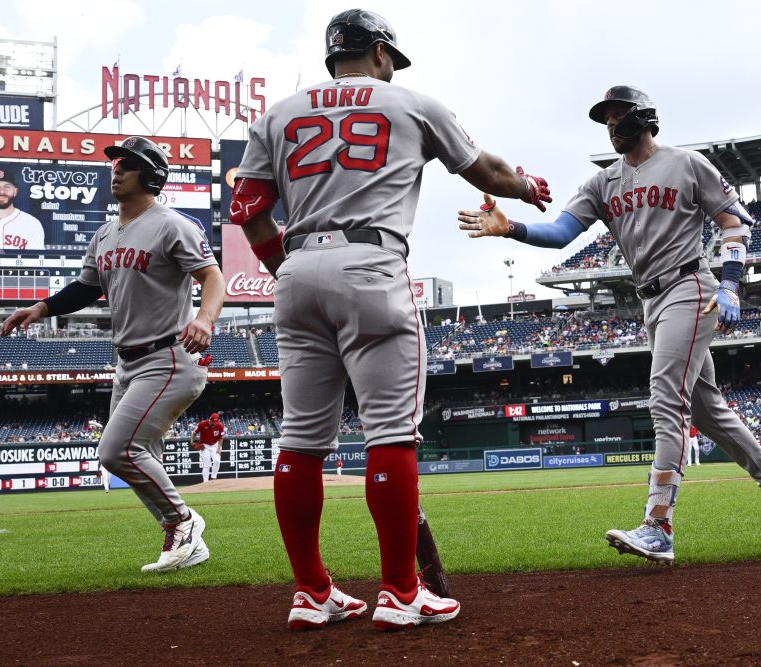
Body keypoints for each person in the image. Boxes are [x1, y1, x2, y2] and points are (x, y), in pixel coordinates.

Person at [229, 8, 551, 631]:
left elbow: (250, 211)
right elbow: (487, 172)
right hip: (371, 262)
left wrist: (289, 271)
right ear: (379, 52)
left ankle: (311, 592)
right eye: (391, 59)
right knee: (390, 434)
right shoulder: (411, 102)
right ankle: (403, 591)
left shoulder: (276, 114)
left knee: (300, 439)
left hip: (296, 267)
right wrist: (528, 186)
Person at [458, 85, 761, 564]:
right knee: (706, 411)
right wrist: (512, 228)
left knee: (666, 397)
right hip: (650, 300)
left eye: (617, 115)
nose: (610, 125)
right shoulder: (603, 182)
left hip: (690, 285)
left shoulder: (686, 164)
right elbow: (560, 232)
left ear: (643, 117)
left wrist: (730, 284)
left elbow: (734, 222)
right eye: (605, 119)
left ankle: (658, 524)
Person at [1, 136, 225, 573]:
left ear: (152, 176)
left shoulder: (173, 225)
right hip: (127, 362)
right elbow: (87, 288)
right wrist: (42, 307)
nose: (117, 169)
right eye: (116, 163)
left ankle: (182, 522)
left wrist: (205, 319)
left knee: (117, 450)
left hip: (168, 355)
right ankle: (186, 543)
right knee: (142, 455)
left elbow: (213, 277)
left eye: (128, 163)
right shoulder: (104, 233)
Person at [191, 412, 225, 483]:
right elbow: (194, 433)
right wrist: (192, 441)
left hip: (215, 444)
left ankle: (213, 477)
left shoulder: (220, 425)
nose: (214, 424)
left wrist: (219, 447)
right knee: (207, 464)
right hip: (205, 445)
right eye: (213, 422)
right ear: (210, 419)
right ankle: (205, 482)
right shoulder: (202, 424)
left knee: (217, 461)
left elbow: (221, 437)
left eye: (215, 422)